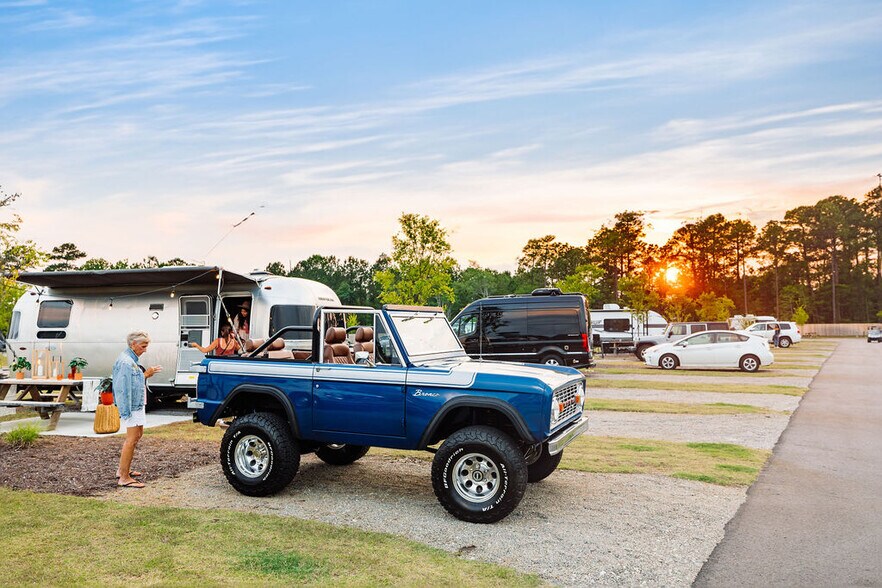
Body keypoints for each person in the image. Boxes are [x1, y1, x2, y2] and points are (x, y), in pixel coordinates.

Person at [113, 331, 162, 488]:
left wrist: (145, 375)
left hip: (137, 404)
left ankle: (123, 470)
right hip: (131, 406)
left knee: (138, 435)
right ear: (133, 345)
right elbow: (122, 388)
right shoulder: (126, 362)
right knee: (131, 439)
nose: (145, 349)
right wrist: (146, 374)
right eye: (143, 346)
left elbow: (134, 381)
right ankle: (124, 478)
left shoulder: (130, 361)